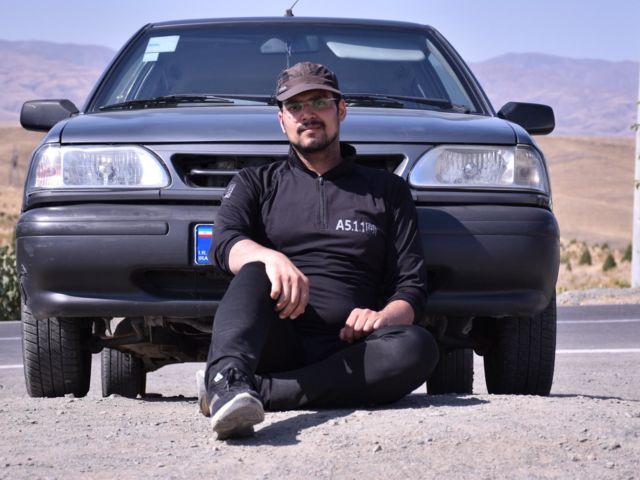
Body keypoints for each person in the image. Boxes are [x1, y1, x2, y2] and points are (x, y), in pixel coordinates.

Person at [201, 62, 438, 440]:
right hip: (277, 336)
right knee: (255, 268)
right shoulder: (256, 182)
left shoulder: (387, 190)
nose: (307, 114)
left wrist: (383, 317)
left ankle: (250, 391)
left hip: (351, 347)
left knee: (417, 347)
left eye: (319, 102)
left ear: (341, 110)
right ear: (282, 120)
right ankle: (228, 376)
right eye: (294, 106)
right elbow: (224, 242)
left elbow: (411, 286)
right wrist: (271, 257)